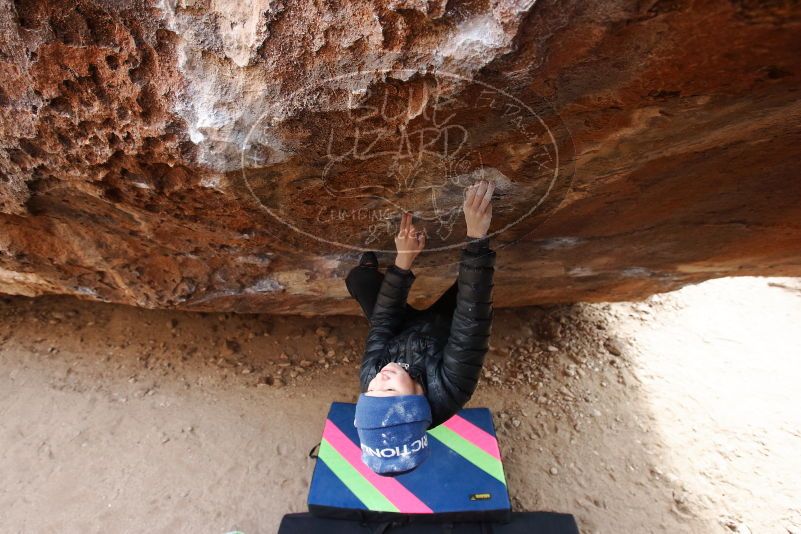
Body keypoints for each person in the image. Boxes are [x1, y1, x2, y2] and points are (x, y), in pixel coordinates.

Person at [345, 180, 496, 476]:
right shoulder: (452, 388)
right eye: (388, 389)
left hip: (404, 331)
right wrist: (476, 236)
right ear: (416, 401)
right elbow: (472, 318)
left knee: (359, 282)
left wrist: (404, 261)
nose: (380, 379)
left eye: (371, 391)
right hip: (449, 326)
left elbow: (383, 323)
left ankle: (366, 274)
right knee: (477, 277)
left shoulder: (374, 378)